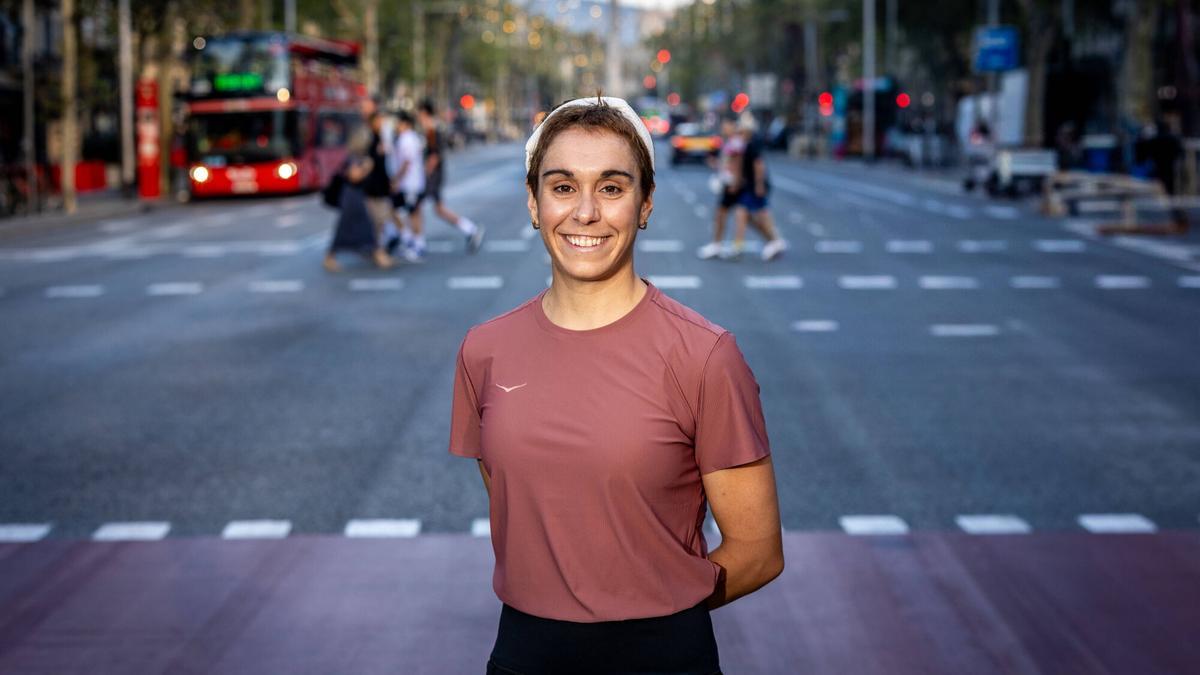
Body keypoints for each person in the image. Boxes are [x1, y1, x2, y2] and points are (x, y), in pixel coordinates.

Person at [449, 96, 784, 674]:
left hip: (664, 657)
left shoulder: (705, 356)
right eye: (561, 187)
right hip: (523, 655)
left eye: (611, 187)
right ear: (533, 203)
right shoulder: (484, 351)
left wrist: (657, 611)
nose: (585, 212)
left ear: (645, 203)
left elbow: (759, 552)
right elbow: (523, 509)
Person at [413, 100, 486, 253]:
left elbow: (434, 156)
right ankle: (470, 229)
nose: (417, 117)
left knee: (416, 207)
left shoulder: (431, 130)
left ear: (424, 113)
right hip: (434, 176)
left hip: (431, 177)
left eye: (419, 113)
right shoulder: (432, 129)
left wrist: (424, 174)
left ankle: (417, 244)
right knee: (437, 209)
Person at [324, 128, 393, 271]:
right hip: (352, 196)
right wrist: (366, 169)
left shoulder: (358, 157)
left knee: (357, 227)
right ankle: (377, 254)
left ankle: (376, 253)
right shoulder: (355, 158)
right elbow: (353, 176)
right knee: (360, 226)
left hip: (355, 195)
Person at [697, 116, 745, 260]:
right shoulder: (731, 141)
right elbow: (728, 163)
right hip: (729, 182)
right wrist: (717, 164)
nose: (723, 128)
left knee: (725, 214)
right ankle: (725, 245)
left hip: (731, 183)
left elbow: (737, 164)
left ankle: (720, 245)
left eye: (726, 125)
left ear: (732, 126)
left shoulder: (735, 142)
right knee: (734, 214)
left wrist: (735, 182)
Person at [386, 109, 428, 262]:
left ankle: (415, 243)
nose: (396, 125)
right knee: (410, 212)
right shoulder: (411, 138)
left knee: (410, 213)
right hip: (413, 183)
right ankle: (413, 241)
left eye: (397, 122)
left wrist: (396, 179)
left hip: (410, 184)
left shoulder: (406, 139)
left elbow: (406, 162)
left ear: (405, 123)